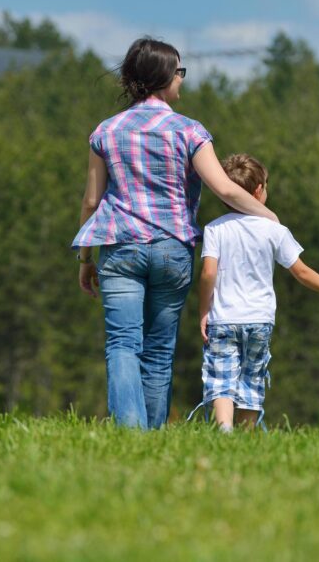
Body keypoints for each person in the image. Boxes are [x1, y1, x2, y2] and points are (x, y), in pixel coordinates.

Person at [73, 37, 279, 430]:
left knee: (122, 344)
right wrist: (270, 217)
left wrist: (85, 257)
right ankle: (152, 434)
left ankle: (129, 433)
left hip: (120, 248)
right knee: (158, 349)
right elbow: (226, 189)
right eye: (180, 72)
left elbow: (90, 201)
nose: (182, 80)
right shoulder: (189, 131)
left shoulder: (107, 131)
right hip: (172, 251)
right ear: (165, 77)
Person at [195, 153, 319, 431]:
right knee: (251, 377)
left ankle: (224, 428)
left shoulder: (215, 229)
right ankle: (246, 433)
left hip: (223, 317)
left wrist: (203, 310)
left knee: (222, 376)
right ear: (259, 192)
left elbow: (208, 273)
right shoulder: (274, 229)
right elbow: (302, 272)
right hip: (259, 319)